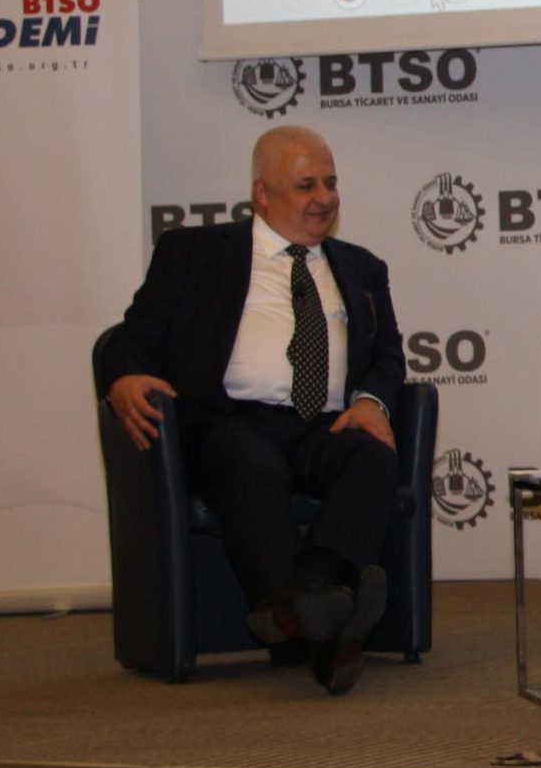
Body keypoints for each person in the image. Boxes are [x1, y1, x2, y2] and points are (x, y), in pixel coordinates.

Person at [103, 126, 406, 695]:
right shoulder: (194, 253)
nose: (325, 198)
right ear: (262, 194)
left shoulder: (362, 267)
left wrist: (370, 401)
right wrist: (123, 376)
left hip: (322, 426)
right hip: (231, 423)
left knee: (372, 454)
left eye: (331, 183)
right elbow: (133, 335)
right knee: (245, 456)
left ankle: (305, 601)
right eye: (306, 185)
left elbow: (389, 355)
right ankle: (328, 626)